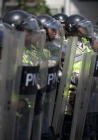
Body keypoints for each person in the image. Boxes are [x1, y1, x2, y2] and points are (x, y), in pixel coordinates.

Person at [3, 10, 42, 140]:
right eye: (28, 30)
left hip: (28, 109)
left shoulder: (28, 51)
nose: (31, 33)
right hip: (12, 114)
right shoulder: (10, 53)